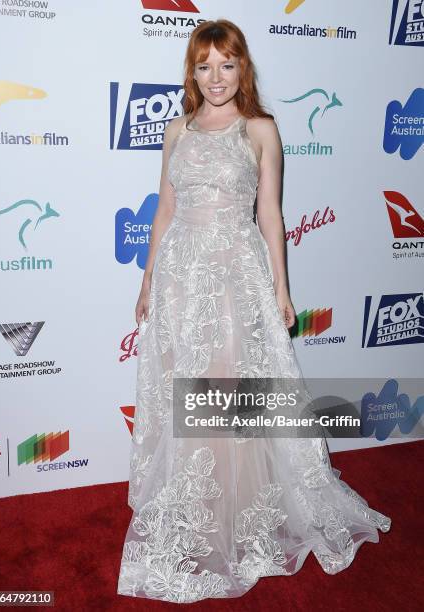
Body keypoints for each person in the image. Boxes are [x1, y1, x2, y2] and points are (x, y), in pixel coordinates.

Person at [117, 19, 391, 604]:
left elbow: (270, 215)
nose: (215, 77)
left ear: (243, 69)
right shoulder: (176, 130)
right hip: (180, 276)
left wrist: (281, 290)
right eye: (203, 65)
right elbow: (163, 211)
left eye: (227, 64)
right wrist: (147, 280)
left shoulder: (260, 129)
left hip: (233, 276)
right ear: (191, 72)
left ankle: (238, 503)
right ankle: (195, 498)